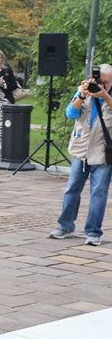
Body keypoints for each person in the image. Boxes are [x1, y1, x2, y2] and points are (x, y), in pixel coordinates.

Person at [49, 64, 112, 246]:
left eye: (106, 82)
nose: (102, 85)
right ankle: (65, 226)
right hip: (81, 150)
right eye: (100, 81)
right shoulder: (84, 91)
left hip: (102, 153)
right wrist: (82, 95)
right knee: (71, 189)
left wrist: (104, 96)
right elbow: (70, 113)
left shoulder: (107, 95)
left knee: (98, 193)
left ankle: (93, 232)